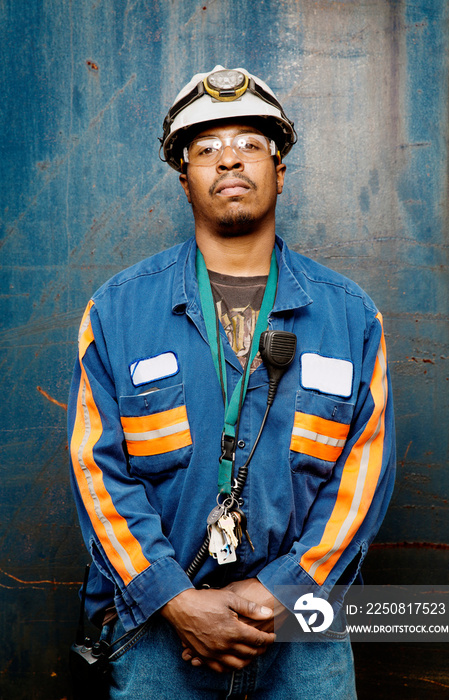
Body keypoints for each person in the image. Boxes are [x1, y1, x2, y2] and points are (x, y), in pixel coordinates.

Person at [68, 65, 396, 699]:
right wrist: (173, 599)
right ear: (184, 180)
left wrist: (282, 588)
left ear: (279, 169)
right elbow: (95, 470)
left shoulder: (351, 315)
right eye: (206, 149)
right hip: (161, 632)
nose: (229, 160)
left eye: (250, 143)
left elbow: (365, 472)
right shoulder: (116, 311)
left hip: (302, 631)